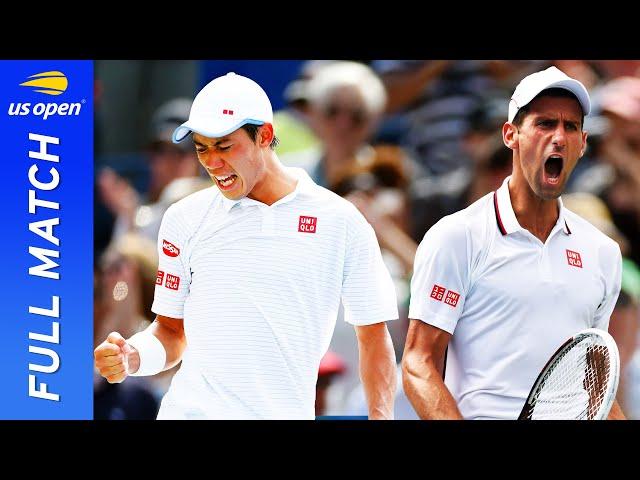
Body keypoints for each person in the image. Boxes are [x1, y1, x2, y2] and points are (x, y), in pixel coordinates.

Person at [94, 72, 399, 420]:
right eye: (201, 148)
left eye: (224, 146)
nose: (211, 162)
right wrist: (132, 356)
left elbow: (374, 338)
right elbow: (171, 333)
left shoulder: (340, 220)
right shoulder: (184, 218)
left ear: (265, 136)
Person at [402, 66, 625, 420]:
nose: (559, 137)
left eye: (570, 127)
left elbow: (595, 385)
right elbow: (418, 362)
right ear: (511, 135)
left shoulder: (603, 253)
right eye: (544, 124)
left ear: (582, 144)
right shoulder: (457, 237)